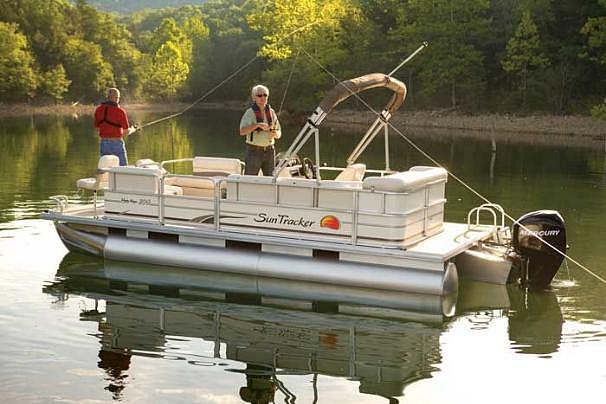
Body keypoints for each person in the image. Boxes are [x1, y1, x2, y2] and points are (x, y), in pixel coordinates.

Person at [239, 84, 281, 176]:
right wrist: (257, 125)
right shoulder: (249, 113)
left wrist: (275, 133)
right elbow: (242, 131)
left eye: (265, 95)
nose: (263, 97)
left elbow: (279, 133)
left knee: (270, 181)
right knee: (250, 180)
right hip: (254, 151)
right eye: (259, 95)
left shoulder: (272, 112)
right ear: (254, 98)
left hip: (270, 151)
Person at [94, 88, 135, 166]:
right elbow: (126, 131)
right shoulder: (120, 111)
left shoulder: (98, 110)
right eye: (118, 98)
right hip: (117, 144)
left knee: (106, 168)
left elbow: (97, 128)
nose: (118, 99)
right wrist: (132, 130)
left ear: (107, 97)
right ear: (116, 98)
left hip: (104, 143)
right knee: (123, 168)